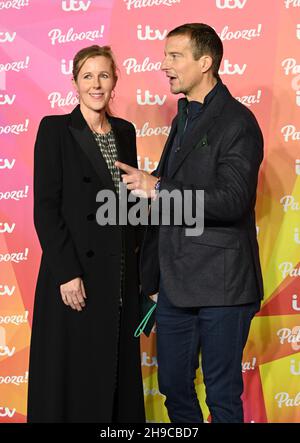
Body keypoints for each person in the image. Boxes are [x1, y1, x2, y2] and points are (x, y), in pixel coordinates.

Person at [115, 23, 264, 423]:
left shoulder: (237, 121)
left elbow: (233, 201)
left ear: (206, 62)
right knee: (175, 390)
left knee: (221, 395)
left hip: (223, 288)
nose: (164, 64)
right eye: (165, 56)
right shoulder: (184, 117)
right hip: (176, 287)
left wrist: (159, 188)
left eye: (174, 56)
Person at [27, 45, 145, 423]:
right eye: (88, 76)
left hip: (120, 274)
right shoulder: (55, 129)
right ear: (75, 82)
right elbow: (46, 207)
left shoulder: (125, 132)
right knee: (74, 375)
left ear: (115, 82)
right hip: (74, 272)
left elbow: (132, 202)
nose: (97, 84)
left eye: (104, 76)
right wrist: (67, 272)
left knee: (114, 372)